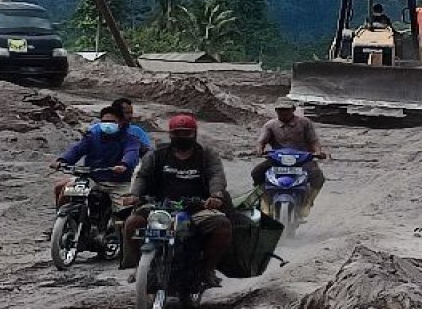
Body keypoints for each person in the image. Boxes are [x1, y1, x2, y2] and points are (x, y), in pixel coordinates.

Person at [121, 113, 232, 287]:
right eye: (177, 133)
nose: (182, 137)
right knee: (132, 223)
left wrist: (216, 195)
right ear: (170, 134)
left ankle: (207, 269)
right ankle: (138, 265)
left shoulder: (206, 154)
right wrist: (134, 195)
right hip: (159, 207)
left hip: (197, 207)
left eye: (186, 133)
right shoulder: (157, 154)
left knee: (222, 225)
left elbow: (216, 175)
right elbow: (142, 176)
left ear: (194, 134)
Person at [54, 105, 142, 208]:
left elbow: (131, 153)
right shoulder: (92, 137)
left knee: (125, 211)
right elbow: (77, 149)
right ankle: (61, 218)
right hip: (92, 179)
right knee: (65, 192)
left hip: (118, 183)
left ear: (121, 122)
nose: (107, 124)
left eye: (112, 122)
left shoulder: (130, 139)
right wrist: (62, 160)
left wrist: (124, 164)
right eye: (104, 121)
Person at [251, 98, 325, 217]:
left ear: (293, 110)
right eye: (280, 110)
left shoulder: (305, 123)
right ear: (276, 110)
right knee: (257, 173)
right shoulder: (270, 125)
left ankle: (308, 202)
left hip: (302, 159)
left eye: (286, 110)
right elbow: (261, 141)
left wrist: (318, 152)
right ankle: (265, 201)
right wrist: (259, 150)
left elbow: (313, 141)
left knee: (317, 176)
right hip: (277, 159)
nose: (283, 112)